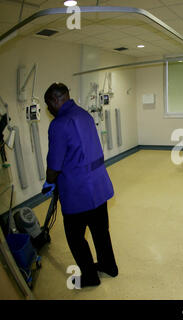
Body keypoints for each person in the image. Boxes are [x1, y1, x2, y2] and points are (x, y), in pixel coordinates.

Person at [43, 82, 118, 288]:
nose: (48, 109)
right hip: (99, 185)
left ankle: (90, 277)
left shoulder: (58, 124)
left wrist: (49, 180)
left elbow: (55, 163)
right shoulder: (84, 114)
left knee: (75, 238)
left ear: (55, 100)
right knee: (101, 231)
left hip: (77, 191)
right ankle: (108, 266)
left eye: (48, 104)